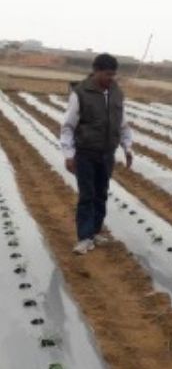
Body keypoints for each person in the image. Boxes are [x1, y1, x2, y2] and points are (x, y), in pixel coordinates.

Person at [60, 53, 133, 255]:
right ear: (96, 71)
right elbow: (67, 126)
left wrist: (127, 147)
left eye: (113, 75)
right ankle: (84, 238)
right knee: (87, 195)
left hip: (107, 154)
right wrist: (68, 154)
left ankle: (95, 232)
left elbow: (123, 123)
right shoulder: (80, 93)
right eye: (108, 74)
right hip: (85, 153)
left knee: (101, 194)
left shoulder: (117, 93)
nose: (111, 79)